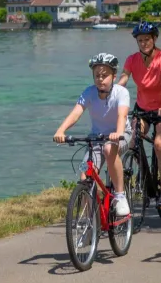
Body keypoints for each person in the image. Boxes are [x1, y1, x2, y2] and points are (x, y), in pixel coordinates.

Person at [53, 53, 131, 221]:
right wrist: (61, 130)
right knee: (85, 176)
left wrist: (118, 133)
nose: (100, 79)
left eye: (105, 75)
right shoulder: (89, 92)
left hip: (121, 134)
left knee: (109, 148)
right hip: (97, 137)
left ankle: (120, 195)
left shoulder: (121, 92)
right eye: (97, 75)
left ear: (114, 76)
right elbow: (76, 113)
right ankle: (89, 221)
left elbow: (122, 116)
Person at [118, 21, 161, 206]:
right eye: (140, 40)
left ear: (154, 39)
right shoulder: (132, 59)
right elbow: (123, 79)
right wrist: (111, 95)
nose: (143, 43)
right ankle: (144, 177)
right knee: (133, 141)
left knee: (159, 144)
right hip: (142, 108)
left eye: (147, 39)